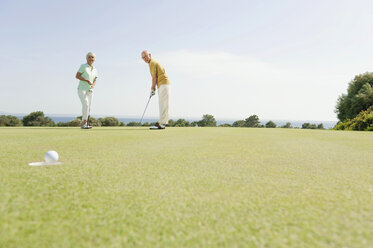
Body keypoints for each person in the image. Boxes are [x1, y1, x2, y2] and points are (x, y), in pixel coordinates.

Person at [141, 50, 170, 129]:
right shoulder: (151, 63)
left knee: (163, 104)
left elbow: (154, 78)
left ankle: (162, 124)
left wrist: (152, 89)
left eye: (146, 56)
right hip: (163, 84)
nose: (145, 59)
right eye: (143, 58)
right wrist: (153, 89)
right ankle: (162, 122)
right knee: (162, 104)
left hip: (163, 83)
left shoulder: (152, 63)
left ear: (149, 55)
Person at [75, 52, 98, 129]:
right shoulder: (83, 66)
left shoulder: (95, 69)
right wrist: (86, 80)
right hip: (82, 89)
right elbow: (77, 76)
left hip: (90, 90)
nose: (91, 59)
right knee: (86, 105)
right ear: (87, 58)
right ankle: (84, 123)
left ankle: (85, 123)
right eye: (89, 57)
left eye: (92, 57)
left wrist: (93, 86)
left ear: (94, 59)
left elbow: (95, 79)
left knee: (88, 107)